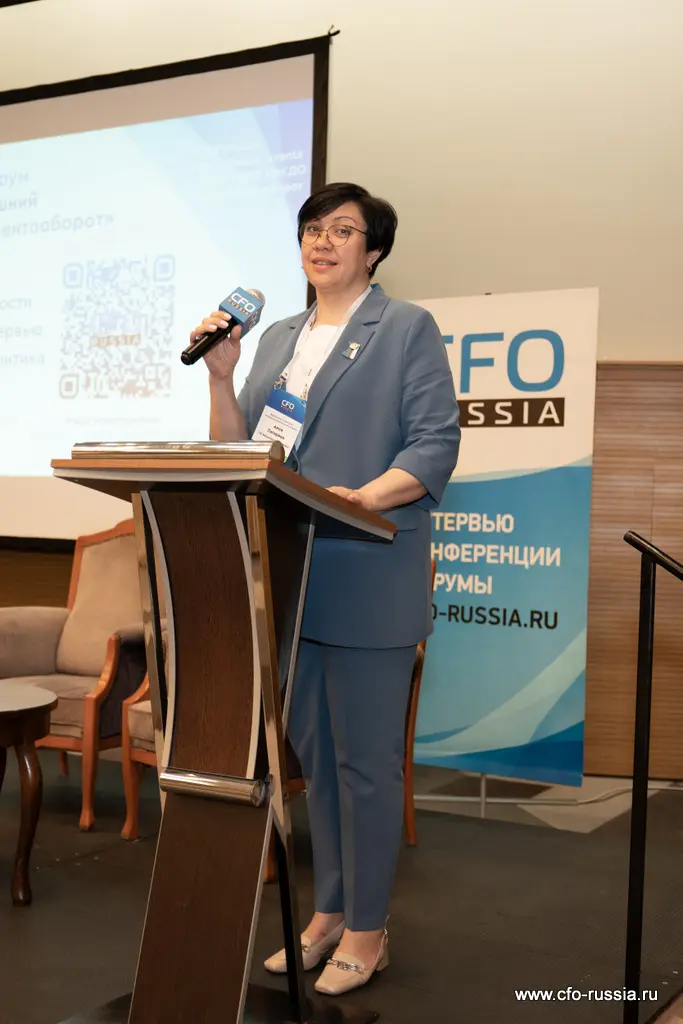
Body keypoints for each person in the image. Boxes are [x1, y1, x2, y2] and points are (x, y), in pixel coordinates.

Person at [191, 182, 460, 995]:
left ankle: (370, 930)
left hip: (367, 571)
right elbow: (240, 453)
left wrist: (360, 498)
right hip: (292, 576)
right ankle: (332, 912)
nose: (323, 240)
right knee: (317, 760)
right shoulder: (276, 337)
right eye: (313, 227)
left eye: (343, 229)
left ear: (373, 250)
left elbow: (433, 444)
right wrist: (220, 377)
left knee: (367, 765)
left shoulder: (403, 327)